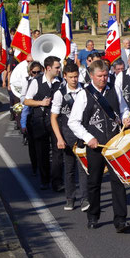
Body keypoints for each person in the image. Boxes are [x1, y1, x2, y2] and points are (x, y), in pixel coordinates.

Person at [68, 59, 130, 232]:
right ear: (91, 76)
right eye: (100, 76)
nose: (104, 79)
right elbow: (73, 122)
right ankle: (93, 215)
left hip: (114, 143)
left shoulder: (114, 89)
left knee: (118, 180)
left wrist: (126, 117)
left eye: (106, 75)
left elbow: (124, 108)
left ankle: (120, 220)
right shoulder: (84, 94)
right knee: (94, 182)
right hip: (95, 145)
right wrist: (88, 138)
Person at [50, 62, 89, 212]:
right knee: (69, 168)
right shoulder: (60, 93)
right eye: (71, 77)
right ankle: (70, 198)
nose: (74, 80)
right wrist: (59, 138)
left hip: (83, 134)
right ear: (64, 76)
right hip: (67, 135)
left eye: (76, 77)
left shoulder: (85, 90)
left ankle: (85, 198)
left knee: (84, 168)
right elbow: (54, 118)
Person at [23, 56, 62, 191]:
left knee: (58, 152)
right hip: (40, 121)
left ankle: (57, 182)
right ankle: (45, 179)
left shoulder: (60, 82)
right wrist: (41, 103)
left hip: (56, 121)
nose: (59, 69)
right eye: (57, 67)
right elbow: (27, 101)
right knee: (42, 152)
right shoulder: (36, 82)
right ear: (48, 68)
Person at [20, 61, 43, 169]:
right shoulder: (27, 82)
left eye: (39, 72)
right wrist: (23, 124)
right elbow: (24, 102)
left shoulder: (43, 81)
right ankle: (34, 165)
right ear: (30, 72)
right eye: (34, 72)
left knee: (42, 145)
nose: (37, 74)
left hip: (43, 116)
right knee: (33, 145)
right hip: (31, 115)